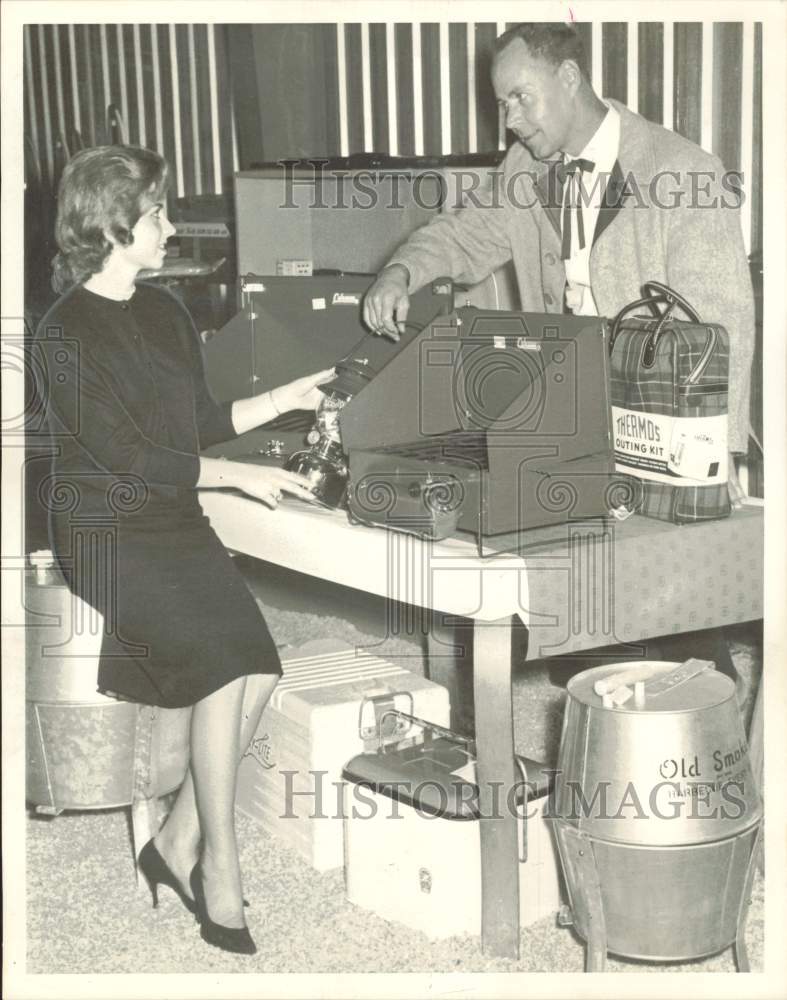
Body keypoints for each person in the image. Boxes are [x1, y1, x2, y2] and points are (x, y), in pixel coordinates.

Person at [35, 145, 334, 955]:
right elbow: (125, 455)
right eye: (159, 213)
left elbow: (195, 423)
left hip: (168, 515)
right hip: (104, 528)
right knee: (228, 666)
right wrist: (237, 481)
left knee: (264, 667)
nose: (171, 227)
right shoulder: (61, 334)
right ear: (112, 227)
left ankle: (171, 842)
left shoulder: (164, 311)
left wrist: (287, 397)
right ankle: (220, 879)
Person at [363, 21, 755, 460]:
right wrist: (400, 272)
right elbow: (463, 234)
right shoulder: (523, 167)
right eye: (502, 103)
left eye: (521, 97)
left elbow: (724, 326)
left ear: (569, 76)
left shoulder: (686, 172)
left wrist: (718, 449)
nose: (510, 120)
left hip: (659, 426)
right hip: (561, 418)